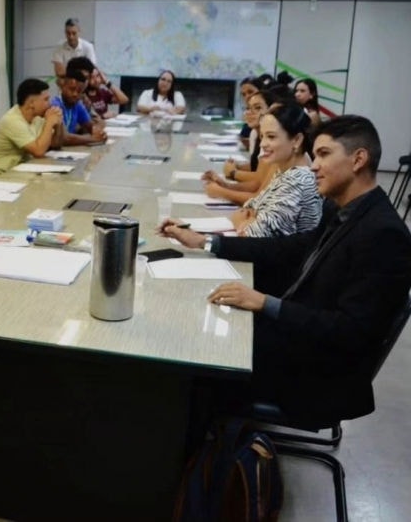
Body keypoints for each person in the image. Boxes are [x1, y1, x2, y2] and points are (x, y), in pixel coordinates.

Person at [161, 114, 411, 424]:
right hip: (298, 340)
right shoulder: (343, 208)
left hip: (317, 375)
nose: (314, 165)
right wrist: (205, 243)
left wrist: (265, 303)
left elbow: (351, 331)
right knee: (202, 319)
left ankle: (203, 458)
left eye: (324, 154)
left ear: (358, 159)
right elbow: (287, 248)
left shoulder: (383, 233)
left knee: (202, 354)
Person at [227, 104, 322, 237]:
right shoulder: (284, 171)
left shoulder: (298, 180)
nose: (262, 144)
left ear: (296, 140)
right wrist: (250, 218)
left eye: (271, 137)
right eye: (262, 136)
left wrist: (241, 221)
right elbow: (251, 205)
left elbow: (254, 235)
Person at [202, 90, 277, 206]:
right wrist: (225, 185)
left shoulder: (278, 147)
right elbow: (258, 183)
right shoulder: (258, 136)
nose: (250, 113)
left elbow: (259, 190)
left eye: (257, 108)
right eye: (248, 108)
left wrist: (229, 180)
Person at [0, 78, 65, 174]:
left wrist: (58, 124)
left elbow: (56, 144)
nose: (50, 104)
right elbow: (39, 151)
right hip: (2, 177)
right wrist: (49, 123)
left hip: (21, 172)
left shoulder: (37, 118)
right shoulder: (12, 120)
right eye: (46, 99)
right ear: (31, 103)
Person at [50, 70, 107, 146]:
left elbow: (91, 127)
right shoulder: (55, 104)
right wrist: (92, 138)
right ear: (63, 87)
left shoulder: (77, 104)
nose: (75, 94)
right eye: (72, 89)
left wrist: (100, 132)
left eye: (79, 91)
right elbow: (64, 137)